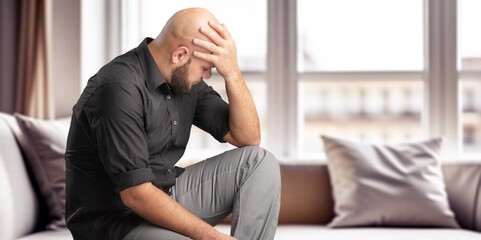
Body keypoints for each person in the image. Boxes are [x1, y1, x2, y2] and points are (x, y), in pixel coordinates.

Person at [65, 7, 281, 240]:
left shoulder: (182, 78)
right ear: (179, 55)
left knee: (259, 163)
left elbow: (248, 138)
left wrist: (232, 72)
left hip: (164, 194)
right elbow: (136, 194)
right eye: (206, 68)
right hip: (115, 224)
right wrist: (215, 237)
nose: (207, 76)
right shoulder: (118, 88)